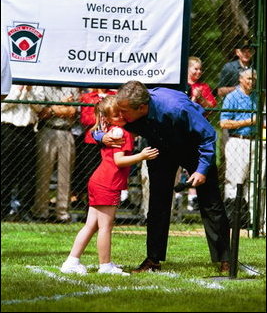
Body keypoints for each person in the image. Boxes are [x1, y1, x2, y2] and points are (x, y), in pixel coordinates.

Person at [94, 81, 231, 274]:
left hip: (191, 146)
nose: (121, 114)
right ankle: (153, 259)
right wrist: (101, 137)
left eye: (124, 111)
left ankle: (225, 259)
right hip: (159, 148)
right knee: (157, 203)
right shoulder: (126, 104)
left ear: (142, 108)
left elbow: (207, 135)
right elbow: (101, 122)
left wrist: (201, 170)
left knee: (210, 202)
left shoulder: (176, 107)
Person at [60, 95, 159, 275]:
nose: (121, 118)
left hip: (100, 180)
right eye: (116, 115)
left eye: (122, 113)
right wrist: (142, 156)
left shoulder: (112, 129)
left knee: (91, 225)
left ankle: (71, 261)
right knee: (105, 226)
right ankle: (105, 265)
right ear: (106, 118)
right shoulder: (122, 133)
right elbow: (119, 161)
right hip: (108, 182)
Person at [220, 69, 265, 228]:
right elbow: (224, 123)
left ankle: (255, 222)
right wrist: (248, 122)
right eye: (248, 79)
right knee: (234, 181)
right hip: (237, 140)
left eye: (253, 79)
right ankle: (233, 220)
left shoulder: (257, 97)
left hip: (256, 141)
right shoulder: (232, 97)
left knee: (255, 182)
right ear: (240, 79)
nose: (251, 82)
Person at [32, 86, 80, 223]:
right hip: (47, 130)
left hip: (67, 131)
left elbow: (73, 111)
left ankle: (62, 213)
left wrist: (53, 109)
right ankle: (40, 211)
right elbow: (42, 114)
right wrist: (62, 105)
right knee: (43, 172)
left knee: (65, 175)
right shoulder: (44, 86)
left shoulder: (71, 87)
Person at [1, 85, 43, 221]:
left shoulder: (36, 83)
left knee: (27, 173)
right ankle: (3, 209)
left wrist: (29, 91)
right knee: (5, 171)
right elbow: (2, 106)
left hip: (28, 131)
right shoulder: (6, 81)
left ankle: (24, 210)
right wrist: (18, 91)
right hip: (8, 130)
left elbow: (40, 107)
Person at [71, 88, 116, 210]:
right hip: (91, 142)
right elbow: (86, 119)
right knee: (90, 174)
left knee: (109, 174)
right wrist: (107, 116)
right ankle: (90, 206)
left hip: (111, 140)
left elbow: (118, 118)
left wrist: (98, 114)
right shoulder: (88, 97)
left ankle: (108, 205)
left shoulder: (115, 96)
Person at [185, 56, 218, 211]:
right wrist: (192, 97)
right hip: (183, 129)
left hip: (198, 130)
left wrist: (200, 98)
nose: (198, 72)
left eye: (200, 69)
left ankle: (193, 198)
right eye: (195, 68)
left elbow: (211, 106)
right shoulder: (181, 86)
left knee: (195, 164)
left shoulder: (203, 87)